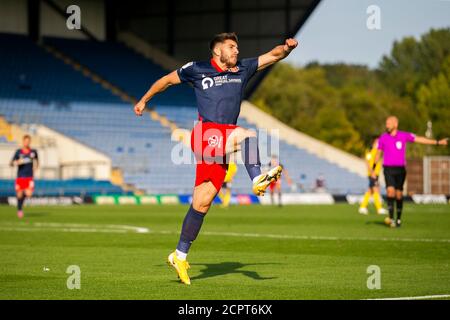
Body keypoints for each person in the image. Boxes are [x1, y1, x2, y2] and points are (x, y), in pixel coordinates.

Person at [134, 32, 298, 284]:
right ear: (217, 50)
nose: (237, 51)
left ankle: (179, 254)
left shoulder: (242, 68)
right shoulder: (197, 69)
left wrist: (287, 49)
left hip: (222, 141)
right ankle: (257, 179)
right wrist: (145, 99)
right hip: (205, 134)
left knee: (202, 203)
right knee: (247, 134)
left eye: (237, 47)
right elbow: (166, 80)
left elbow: (273, 56)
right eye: (232, 47)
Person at [375, 116, 448, 228]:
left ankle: (398, 219)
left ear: (395, 124)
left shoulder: (404, 135)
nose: (387, 125)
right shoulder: (383, 137)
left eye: (389, 123)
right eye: (386, 123)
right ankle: (391, 218)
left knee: (399, 194)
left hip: (400, 169)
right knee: (390, 192)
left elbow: (420, 139)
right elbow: (378, 153)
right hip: (388, 169)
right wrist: (374, 168)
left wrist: (437, 142)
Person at [10, 135, 39, 218]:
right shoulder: (18, 152)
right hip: (20, 177)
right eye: (25, 141)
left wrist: (36, 166)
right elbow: (11, 163)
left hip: (29, 177)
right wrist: (17, 162)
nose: (27, 143)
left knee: (29, 194)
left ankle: (21, 206)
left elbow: (37, 161)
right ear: (23, 142)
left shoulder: (33, 152)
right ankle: (19, 210)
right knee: (19, 195)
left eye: (28, 141)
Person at [358, 137, 387, 215]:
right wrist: (372, 172)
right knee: (375, 190)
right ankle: (379, 208)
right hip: (372, 174)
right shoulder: (369, 151)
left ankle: (363, 207)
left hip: (376, 173)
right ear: (374, 142)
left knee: (370, 191)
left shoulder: (379, 151)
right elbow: (367, 163)